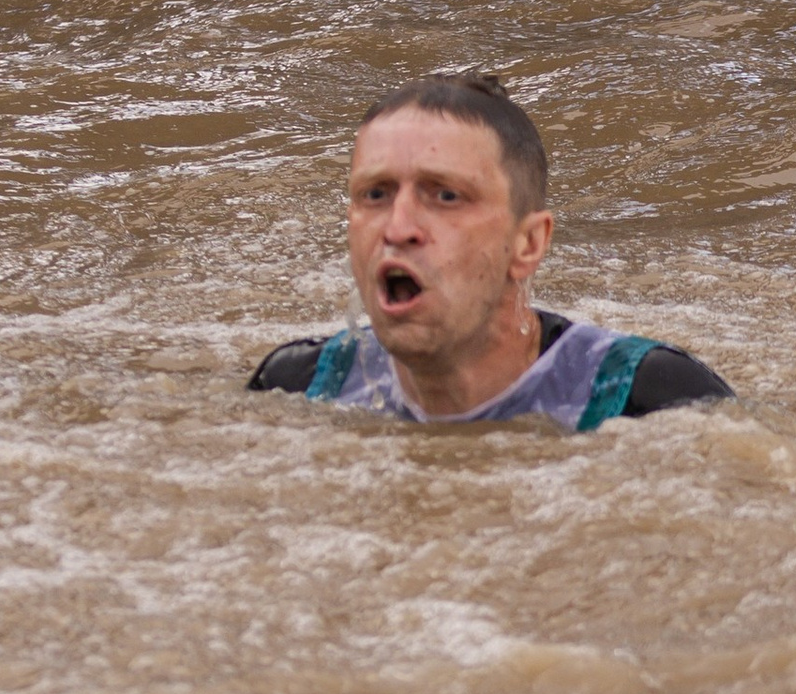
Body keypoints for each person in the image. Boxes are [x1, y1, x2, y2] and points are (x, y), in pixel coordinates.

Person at [251, 71, 732, 431]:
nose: (397, 228)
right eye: (375, 194)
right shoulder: (299, 387)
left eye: (445, 196)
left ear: (528, 245)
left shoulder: (649, 399)